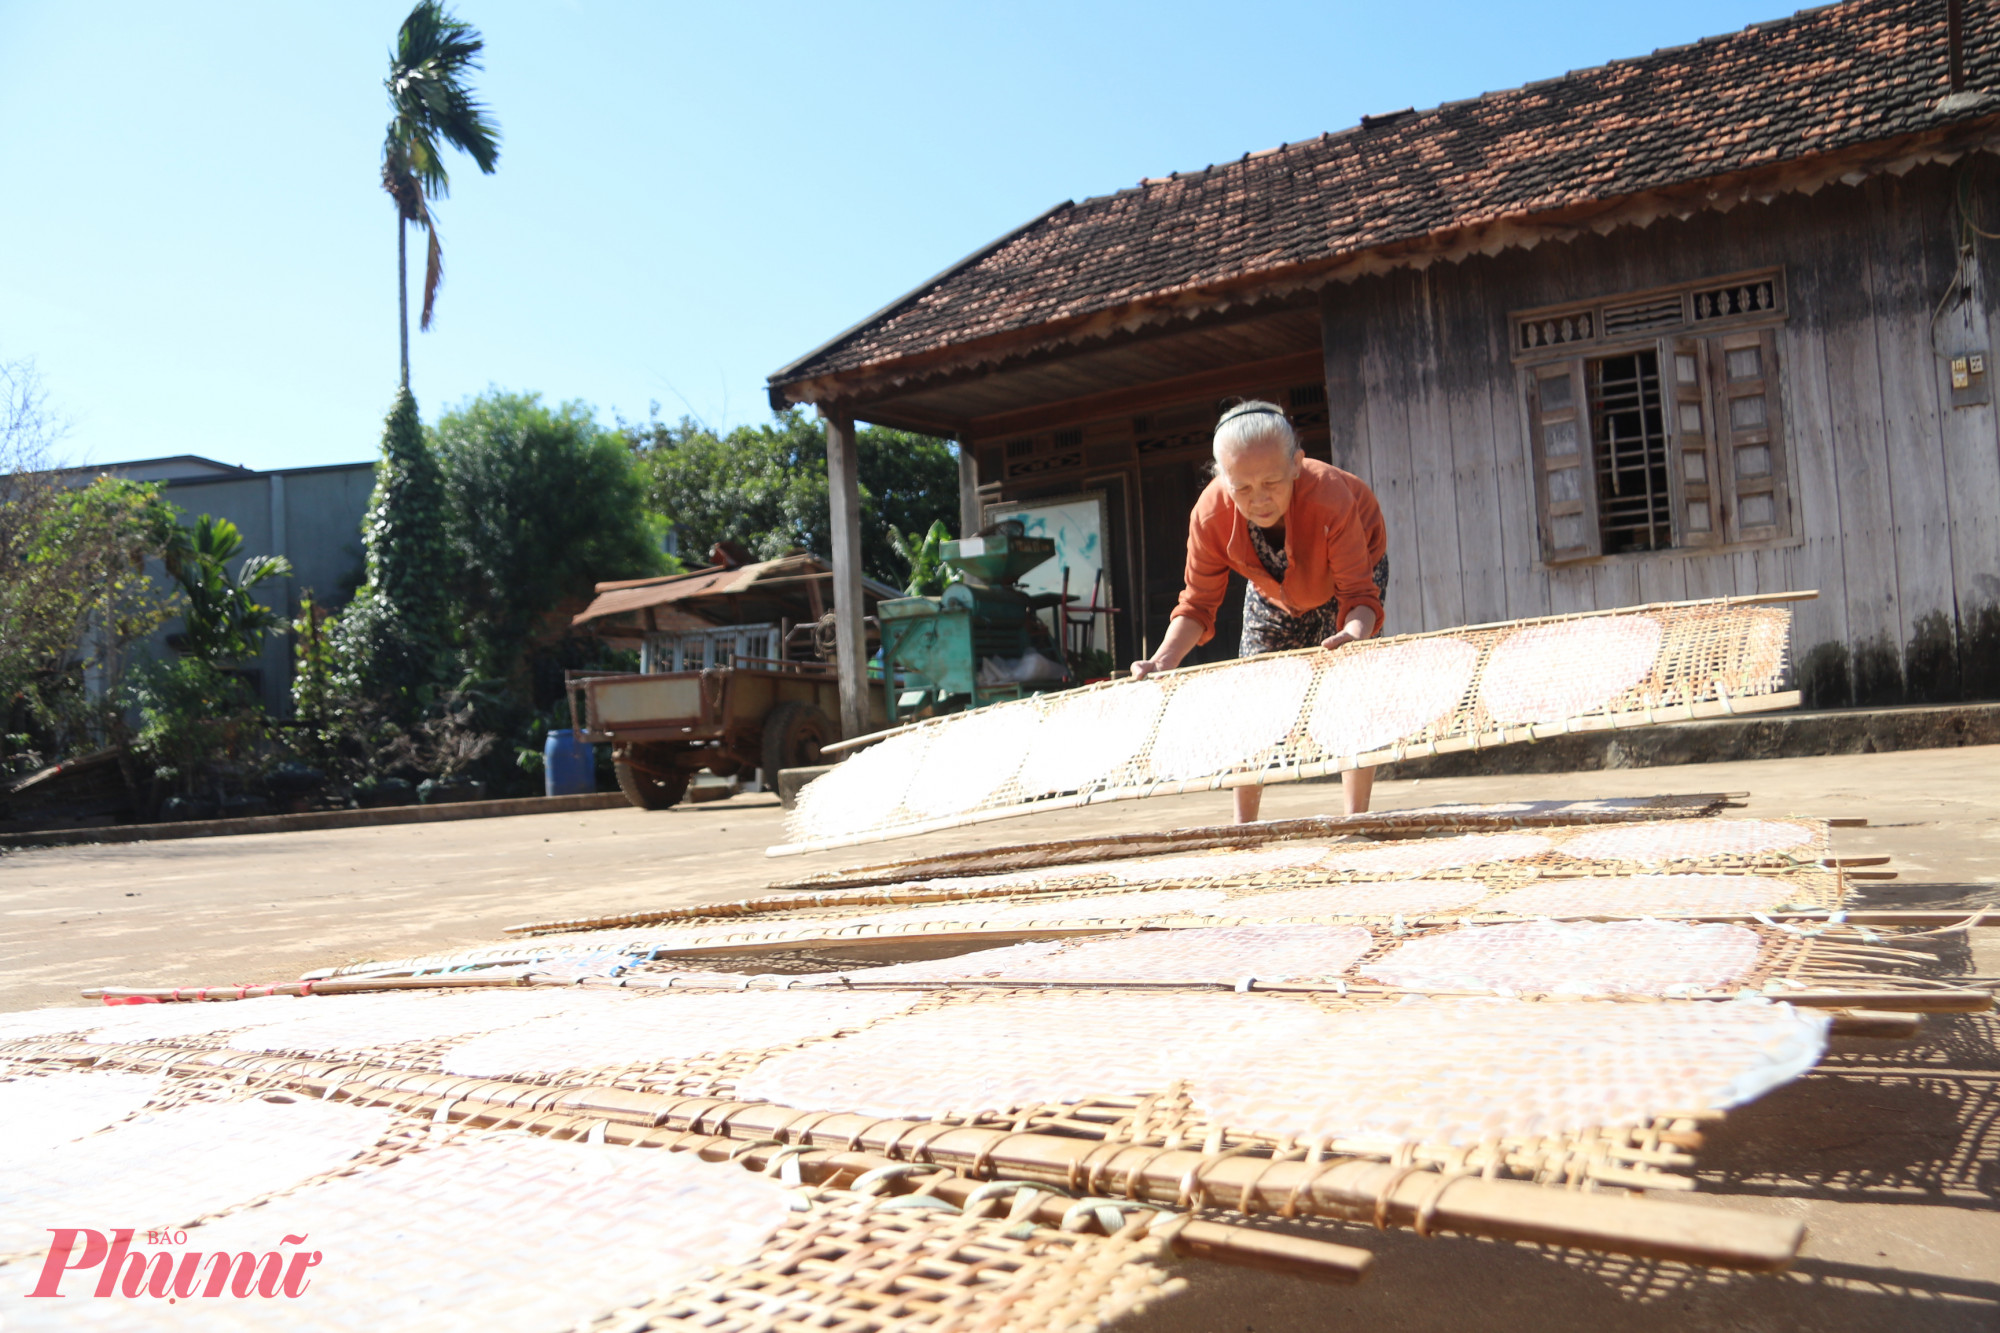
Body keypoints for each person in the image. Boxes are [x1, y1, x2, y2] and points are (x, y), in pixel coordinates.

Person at [1130, 399, 1388, 822]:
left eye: (1272, 482)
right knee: (1249, 695)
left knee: (1352, 687)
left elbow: (1359, 594)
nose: (1260, 500)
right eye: (1243, 488)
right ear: (1222, 479)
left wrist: (1357, 636)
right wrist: (1163, 659)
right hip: (1273, 588)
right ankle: (1243, 826)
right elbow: (1196, 604)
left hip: (1349, 580)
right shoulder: (1209, 515)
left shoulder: (1330, 497)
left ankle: (1354, 819)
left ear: (1297, 465)